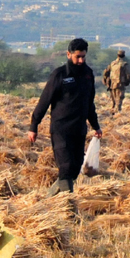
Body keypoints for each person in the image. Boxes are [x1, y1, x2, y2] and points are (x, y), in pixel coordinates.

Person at [28, 38, 102, 196]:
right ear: (69, 55)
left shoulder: (88, 74)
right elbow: (44, 100)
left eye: (83, 56)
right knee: (66, 167)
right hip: (61, 129)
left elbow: (90, 103)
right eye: (77, 57)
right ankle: (68, 206)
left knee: (75, 168)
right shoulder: (59, 75)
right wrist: (34, 126)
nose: (81, 60)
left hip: (79, 129)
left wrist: (96, 126)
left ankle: (49, 199)